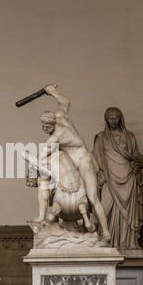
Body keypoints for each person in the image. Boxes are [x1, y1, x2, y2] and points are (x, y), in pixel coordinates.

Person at [38, 84, 111, 242]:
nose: (45, 129)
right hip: (80, 158)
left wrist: (33, 170)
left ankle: (105, 231)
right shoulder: (60, 116)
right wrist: (52, 92)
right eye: (42, 126)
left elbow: (42, 157)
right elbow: (65, 102)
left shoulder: (54, 138)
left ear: (51, 124)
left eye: (46, 126)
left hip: (83, 162)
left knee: (92, 197)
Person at [93, 107, 143, 249]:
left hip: (128, 178)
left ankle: (127, 243)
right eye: (111, 118)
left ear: (120, 118)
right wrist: (100, 177)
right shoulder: (101, 138)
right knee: (105, 209)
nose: (114, 121)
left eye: (116, 117)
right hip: (108, 179)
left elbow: (136, 156)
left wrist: (140, 162)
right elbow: (96, 160)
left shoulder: (129, 137)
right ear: (106, 119)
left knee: (127, 213)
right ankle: (108, 241)